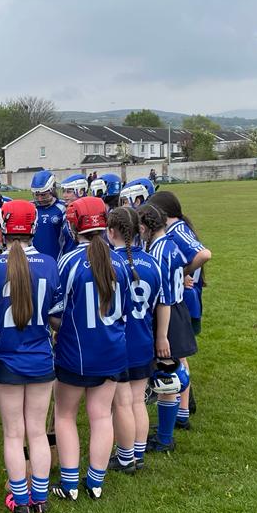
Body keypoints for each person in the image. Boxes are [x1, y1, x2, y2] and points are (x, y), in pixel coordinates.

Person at [0, 200, 62, 513]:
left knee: (13, 433)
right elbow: (55, 316)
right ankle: (39, 496)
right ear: (34, 228)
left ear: (2, 228)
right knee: (37, 431)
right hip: (40, 356)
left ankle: (20, 497)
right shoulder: (49, 263)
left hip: (5, 357)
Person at [52, 197, 130, 501]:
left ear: (74, 226)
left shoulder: (68, 262)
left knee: (65, 415)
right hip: (112, 349)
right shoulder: (121, 261)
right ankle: (96, 482)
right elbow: (125, 311)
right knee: (101, 416)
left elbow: (56, 312)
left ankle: (70, 484)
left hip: (76, 352)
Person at [148, 190, 211, 426]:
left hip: (176, 303)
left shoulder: (176, 231)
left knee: (174, 361)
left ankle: (181, 410)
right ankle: (183, 410)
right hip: (177, 302)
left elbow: (204, 254)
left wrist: (184, 271)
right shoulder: (172, 234)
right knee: (179, 359)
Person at [105, 207, 160, 473]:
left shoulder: (110, 263)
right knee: (138, 400)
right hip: (143, 339)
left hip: (119, 341)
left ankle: (126, 457)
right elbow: (160, 304)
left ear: (110, 231)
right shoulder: (152, 263)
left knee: (122, 402)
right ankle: (138, 453)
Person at [139, 203, 197, 452]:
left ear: (145, 227)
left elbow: (162, 296)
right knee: (171, 374)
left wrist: (161, 335)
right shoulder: (171, 244)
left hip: (167, 314)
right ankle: (168, 430)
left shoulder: (157, 251)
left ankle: (164, 438)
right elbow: (182, 269)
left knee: (166, 377)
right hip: (178, 309)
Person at [29, 170, 73, 259]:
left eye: (43, 195)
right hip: (33, 260)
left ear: (52, 190)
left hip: (56, 259)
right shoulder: (29, 208)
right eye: (37, 195)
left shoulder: (63, 208)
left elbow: (69, 238)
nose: (39, 199)